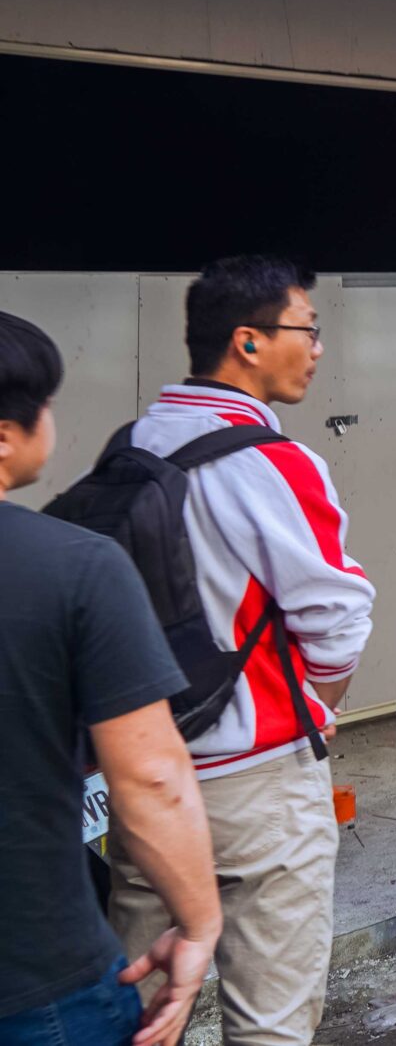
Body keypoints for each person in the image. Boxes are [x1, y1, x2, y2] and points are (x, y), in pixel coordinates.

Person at [108, 256, 373, 1046]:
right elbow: (339, 619)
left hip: (143, 776)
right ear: (248, 342)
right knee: (272, 1023)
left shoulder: (132, 444)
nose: (318, 347)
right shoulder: (274, 462)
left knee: (145, 1011)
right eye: (307, 329)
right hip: (258, 783)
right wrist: (313, 708)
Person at [0, 312, 223, 1046]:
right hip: (40, 981)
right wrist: (197, 922)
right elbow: (151, 777)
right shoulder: (76, 567)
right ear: (7, 432)